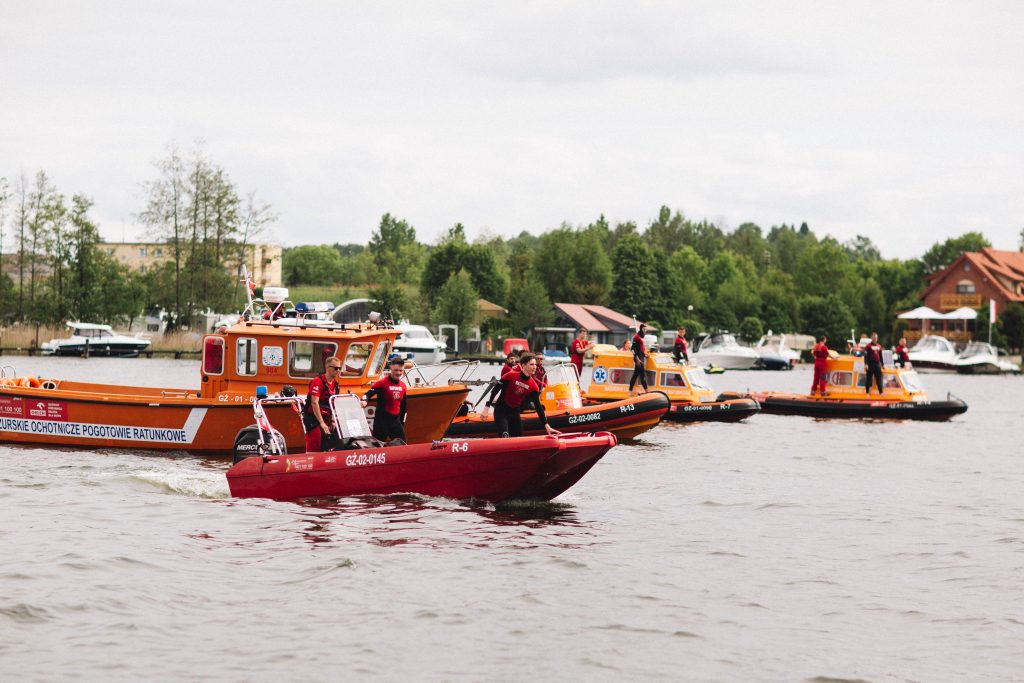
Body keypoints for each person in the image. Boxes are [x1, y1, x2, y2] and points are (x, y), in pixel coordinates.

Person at [484, 353, 560, 438]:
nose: (535, 367)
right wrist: (486, 408)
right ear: (523, 365)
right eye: (531, 364)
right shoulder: (510, 375)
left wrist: (547, 425)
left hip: (515, 412)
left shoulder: (533, 386)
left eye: (535, 364)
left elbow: (538, 407)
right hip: (501, 410)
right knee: (505, 435)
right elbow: (495, 390)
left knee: (518, 437)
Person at [365, 356, 408, 443]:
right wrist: (364, 400)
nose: (399, 373)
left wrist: (402, 423)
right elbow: (367, 394)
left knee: (403, 444)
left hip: (395, 421)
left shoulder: (403, 385)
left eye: (401, 370)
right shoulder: (382, 383)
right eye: (396, 370)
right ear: (391, 368)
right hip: (382, 422)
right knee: (378, 446)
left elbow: (404, 407)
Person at [303, 358, 341, 452]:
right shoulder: (317, 382)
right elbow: (314, 402)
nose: (338, 371)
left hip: (327, 417)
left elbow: (333, 403)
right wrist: (321, 423)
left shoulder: (336, 385)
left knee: (333, 442)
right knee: (316, 442)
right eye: (336, 368)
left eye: (339, 368)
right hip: (314, 418)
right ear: (328, 368)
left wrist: (332, 420)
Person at [629, 323, 649, 396]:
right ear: (641, 329)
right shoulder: (636, 337)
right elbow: (633, 349)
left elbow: (640, 349)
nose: (645, 330)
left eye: (646, 329)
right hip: (639, 359)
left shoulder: (640, 337)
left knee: (635, 375)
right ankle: (647, 392)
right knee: (642, 375)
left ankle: (630, 391)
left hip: (641, 357)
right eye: (644, 329)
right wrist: (637, 359)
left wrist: (645, 354)